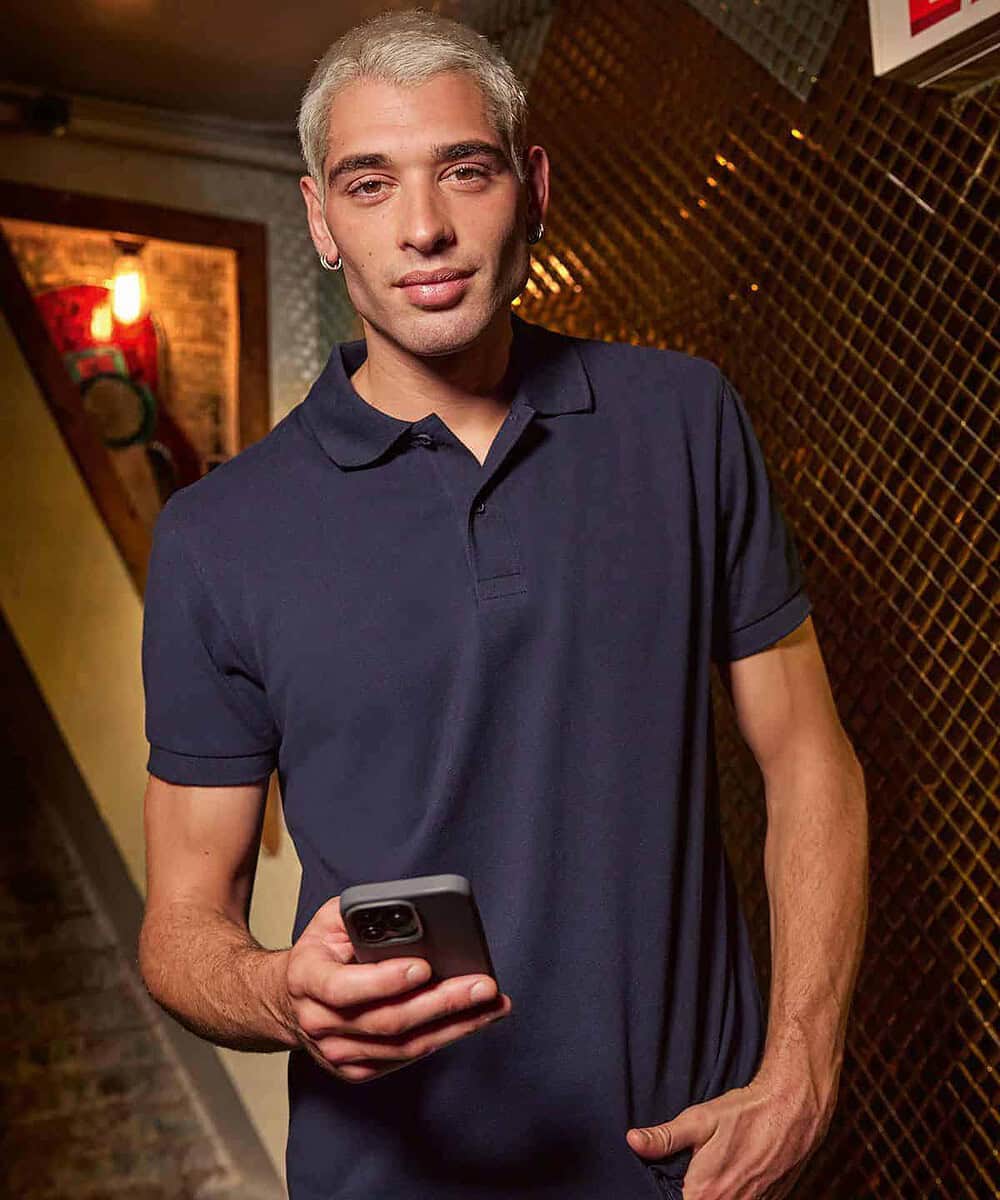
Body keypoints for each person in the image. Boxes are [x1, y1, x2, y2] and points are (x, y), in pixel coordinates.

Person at [138, 9, 868, 1200]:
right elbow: (179, 924)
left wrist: (802, 1065)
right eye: (369, 185)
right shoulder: (218, 535)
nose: (422, 227)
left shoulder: (684, 420)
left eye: (462, 171)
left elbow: (808, 761)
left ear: (531, 187)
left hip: (689, 1163)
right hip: (398, 1175)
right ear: (321, 220)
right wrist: (278, 992)